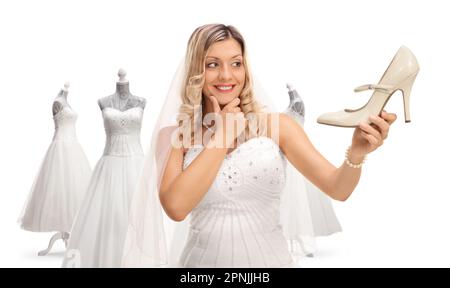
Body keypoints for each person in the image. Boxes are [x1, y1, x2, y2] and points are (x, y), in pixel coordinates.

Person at [122, 24, 397, 268]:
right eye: (212, 64)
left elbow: (338, 188)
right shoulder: (174, 136)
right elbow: (176, 207)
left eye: (236, 63)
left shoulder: (278, 126)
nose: (226, 75)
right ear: (196, 70)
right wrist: (223, 135)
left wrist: (357, 152)